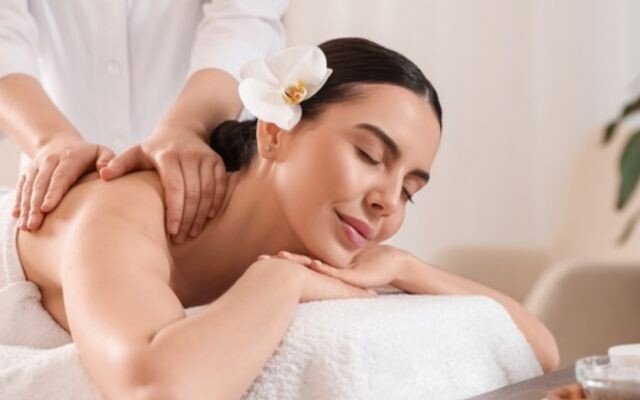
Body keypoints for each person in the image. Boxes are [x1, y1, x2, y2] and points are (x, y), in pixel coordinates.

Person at [2, 38, 559, 399]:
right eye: (369, 156)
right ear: (274, 132)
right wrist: (282, 279)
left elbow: (538, 348)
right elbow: (157, 388)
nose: (388, 201)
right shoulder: (123, 207)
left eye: (410, 191)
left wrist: (404, 267)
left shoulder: (332, 235)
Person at [0, 0, 288, 243]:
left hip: (203, 184)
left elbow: (245, 21)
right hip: (57, 193)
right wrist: (50, 141)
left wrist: (189, 126)